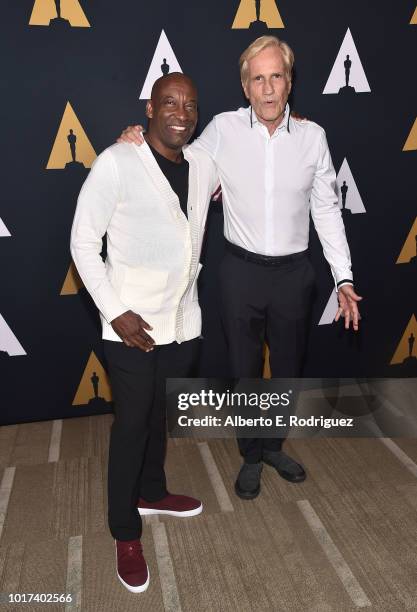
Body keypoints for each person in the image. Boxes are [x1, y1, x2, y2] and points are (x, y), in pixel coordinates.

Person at [118, 35, 362, 501]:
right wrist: (135, 142)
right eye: (258, 79)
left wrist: (343, 277)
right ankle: (251, 454)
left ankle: (274, 446)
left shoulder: (313, 137)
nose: (268, 89)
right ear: (245, 87)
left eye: (276, 77)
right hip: (240, 273)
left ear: (289, 82)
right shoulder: (223, 130)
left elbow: (327, 210)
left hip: (295, 273)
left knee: (288, 369)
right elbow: (176, 158)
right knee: (244, 370)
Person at [71, 73, 218, 593]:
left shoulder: (203, 164)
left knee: (161, 415)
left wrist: (294, 124)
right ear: (150, 108)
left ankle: (152, 491)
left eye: (190, 105)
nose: (181, 113)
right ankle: (124, 530)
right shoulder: (118, 161)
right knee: (132, 425)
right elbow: (83, 243)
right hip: (131, 328)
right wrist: (115, 312)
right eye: (170, 103)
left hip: (183, 322)